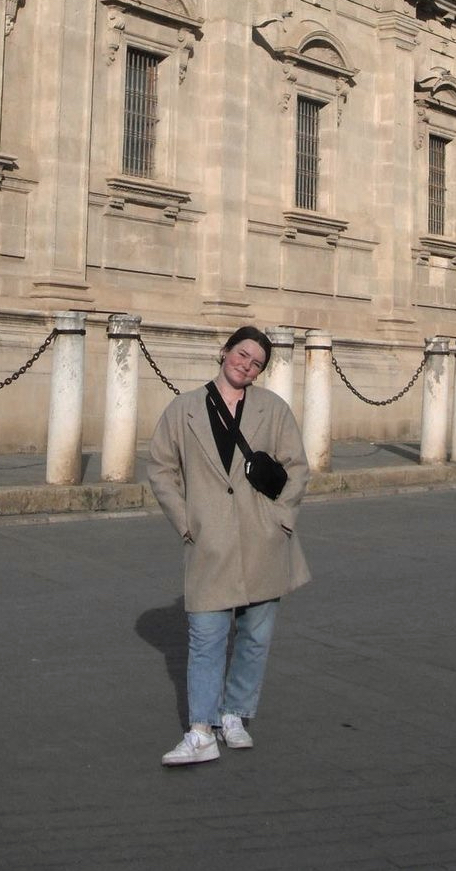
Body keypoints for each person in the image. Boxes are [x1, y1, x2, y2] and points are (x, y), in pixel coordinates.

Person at [147, 325, 310, 767]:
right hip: (210, 541)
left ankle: (234, 713)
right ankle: (200, 731)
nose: (246, 365)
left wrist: (282, 520)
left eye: (256, 362)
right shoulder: (183, 410)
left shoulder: (273, 410)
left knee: (255, 635)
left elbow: (298, 467)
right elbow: (161, 468)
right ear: (223, 352)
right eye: (241, 354)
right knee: (206, 637)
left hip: (264, 540)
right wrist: (185, 522)